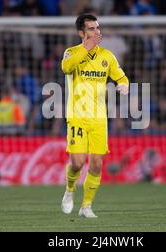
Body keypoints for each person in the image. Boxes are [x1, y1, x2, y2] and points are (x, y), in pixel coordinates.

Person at [61, 14, 129, 218]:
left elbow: (120, 75)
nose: (96, 32)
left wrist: (123, 84)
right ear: (81, 33)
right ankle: (69, 190)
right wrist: (86, 48)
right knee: (77, 163)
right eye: (91, 29)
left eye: (97, 28)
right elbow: (66, 67)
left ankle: (86, 206)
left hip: (99, 118)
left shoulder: (107, 56)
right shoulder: (71, 53)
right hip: (77, 116)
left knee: (97, 163)